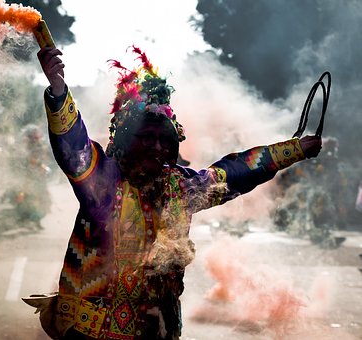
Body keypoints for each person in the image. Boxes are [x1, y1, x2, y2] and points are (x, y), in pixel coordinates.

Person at [24, 46, 322, 340]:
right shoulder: (103, 180)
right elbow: (73, 147)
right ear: (126, 141)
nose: (156, 146)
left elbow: (235, 173)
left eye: (163, 139)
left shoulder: (182, 186)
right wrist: (59, 91)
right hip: (91, 333)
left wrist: (295, 150)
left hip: (157, 331)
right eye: (146, 138)